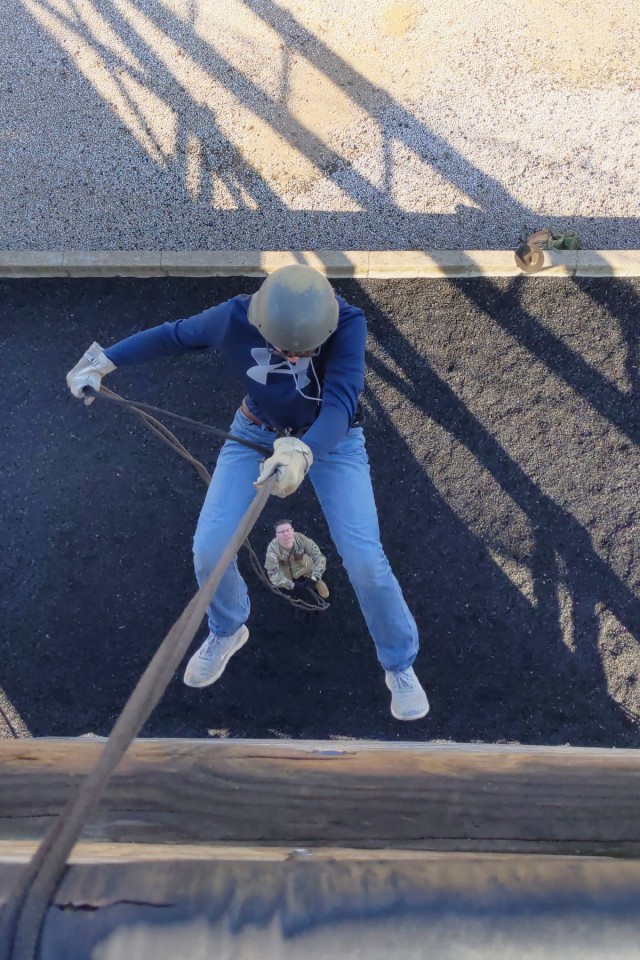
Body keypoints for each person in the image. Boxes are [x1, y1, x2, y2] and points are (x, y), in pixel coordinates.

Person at [66, 264, 429, 721]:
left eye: (306, 352)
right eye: (283, 350)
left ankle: (399, 663)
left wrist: (303, 450)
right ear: (260, 325)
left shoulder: (349, 321)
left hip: (330, 443)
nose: (295, 359)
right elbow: (172, 335)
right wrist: (104, 362)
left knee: (365, 560)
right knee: (209, 548)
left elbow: (341, 401)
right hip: (256, 431)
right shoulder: (233, 317)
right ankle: (227, 628)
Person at [265, 519, 330, 600]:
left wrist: (315, 577)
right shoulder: (272, 550)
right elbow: (272, 573)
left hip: (304, 565)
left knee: (312, 570)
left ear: (292, 531)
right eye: (281, 532)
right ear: (276, 535)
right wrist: (292, 585)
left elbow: (319, 557)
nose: (285, 534)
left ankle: (317, 580)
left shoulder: (301, 539)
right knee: (286, 585)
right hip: (286, 570)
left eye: (288, 530)